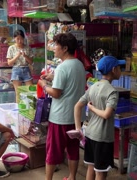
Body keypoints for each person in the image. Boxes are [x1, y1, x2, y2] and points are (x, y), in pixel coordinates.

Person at [37, 33, 86, 180]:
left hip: (60, 117)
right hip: (76, 117)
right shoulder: (79, 64)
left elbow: (56, 93)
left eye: (55, 45)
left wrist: (44, 85)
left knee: (53, 150)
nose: (53, 48)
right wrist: (53, 78)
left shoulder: (62, 67)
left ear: (65, 48)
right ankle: (72, 177)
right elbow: (71, 82)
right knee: (73, 148)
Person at [74, 56, 124, 180]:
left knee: (91, 167)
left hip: (90, 134)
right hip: (102, 138)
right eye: (119, 67)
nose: (120, 70)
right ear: (114, 69)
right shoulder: (111, 91)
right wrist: (92, 109)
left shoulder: (93, 87)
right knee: (101, 172)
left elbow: (77, 106)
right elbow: (107, 114)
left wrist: (78, 128)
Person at [6, 30, 33, 103]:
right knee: (18, 93)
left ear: (24, 38)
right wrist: (17, 56)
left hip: (26, 69)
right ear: (14, 38)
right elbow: (9, 63)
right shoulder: (11, 48)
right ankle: (18, 110)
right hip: (16, 70)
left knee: (30, 91)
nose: (19, 41)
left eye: (21, 38)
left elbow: (31, 61)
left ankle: (29, 109)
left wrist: (25, 56)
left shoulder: (27, 48)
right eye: (17, 39)